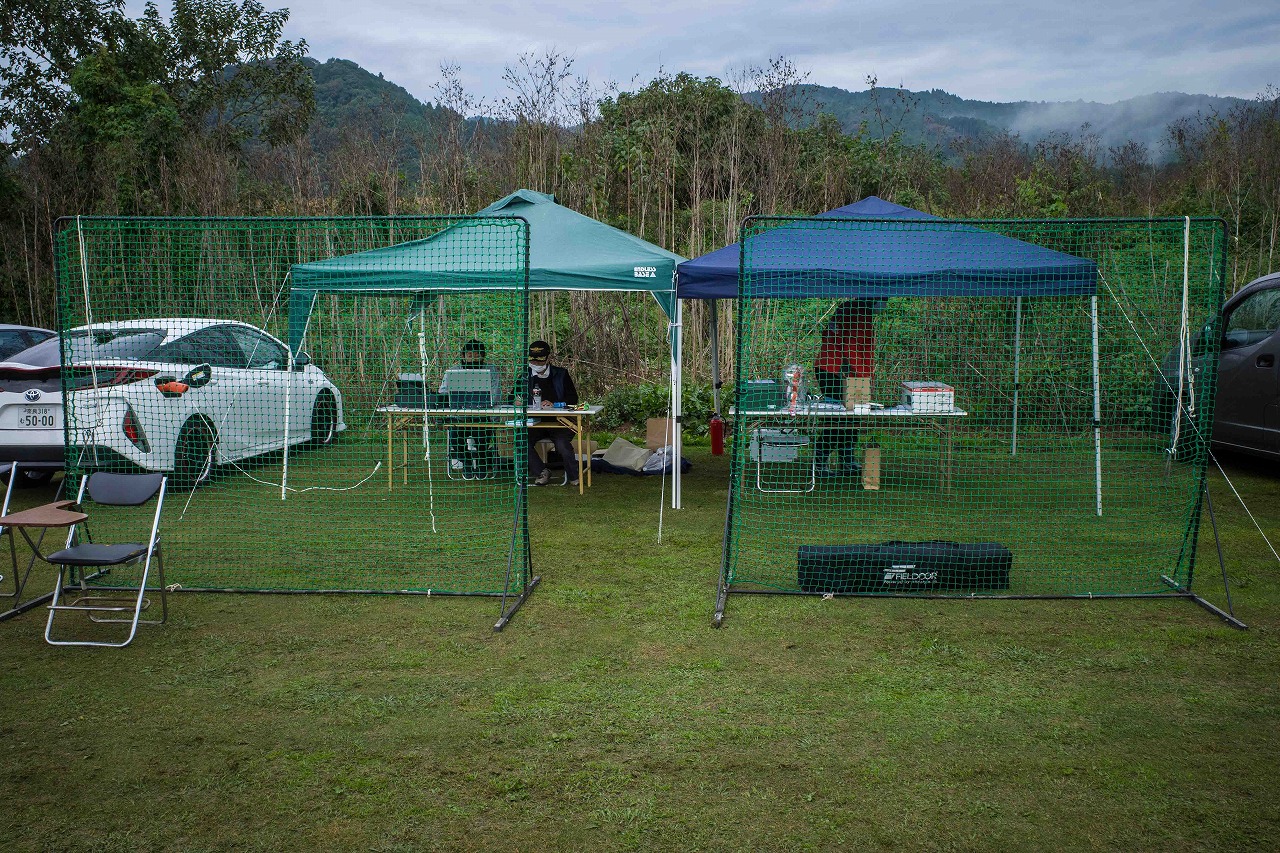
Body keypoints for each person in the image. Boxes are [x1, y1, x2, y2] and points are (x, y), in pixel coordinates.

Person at [813, 300, 876, 477]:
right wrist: (863, 374)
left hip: (829, 366)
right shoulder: (861, 314)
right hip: (836, 370)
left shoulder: (846, 309)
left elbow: (828, 333)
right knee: (837, 418)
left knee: (850, 417)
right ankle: (820, 464)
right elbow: (851, 347)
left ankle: (847, 460)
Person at [517, 339, 580, 486]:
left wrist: (554, 404)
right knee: (521, 441)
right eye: (533, 360)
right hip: (535, 422)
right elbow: (513, 396)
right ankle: (542, 471)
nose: (536, 363)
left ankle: (574, 476)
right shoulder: (525, 376)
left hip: (559, 421)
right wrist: (517, 401)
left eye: (539, 360)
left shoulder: (561, 374)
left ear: (548, 358)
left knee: (562, 444)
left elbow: (573, 399)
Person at [440, 339, 496, 476]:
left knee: (483, 437)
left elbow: (495, 394)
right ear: (463, 356)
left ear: (482, 356)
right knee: (455, 438)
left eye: (477, 355)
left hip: (482, 415)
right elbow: (442, 392)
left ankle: (482, 462)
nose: (473, 358)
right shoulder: (453, 371)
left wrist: (484, 405)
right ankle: (467, 462)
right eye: (470, 355)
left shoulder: (491, 370)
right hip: (459, 416)